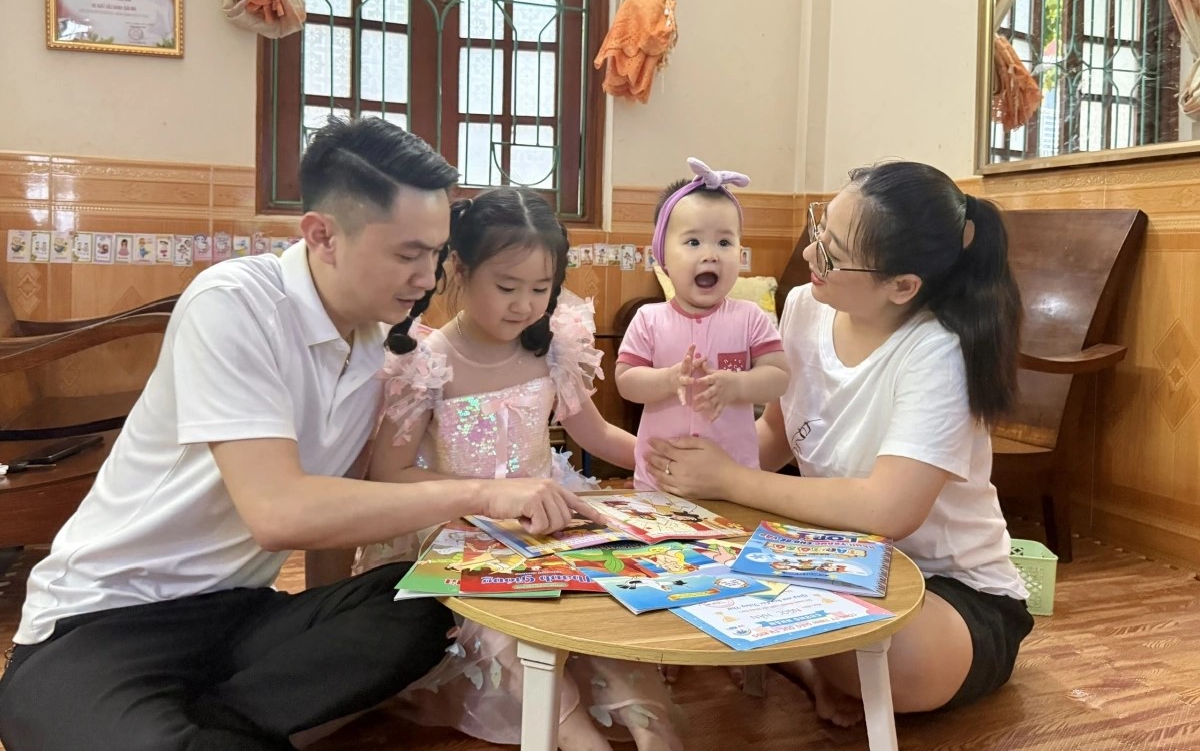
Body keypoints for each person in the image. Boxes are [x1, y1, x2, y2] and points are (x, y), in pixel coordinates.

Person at [0, 118, 599, 751]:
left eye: (435, 254)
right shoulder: (234, 302)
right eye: (407, 255)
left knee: (426, 606)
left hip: (241, 614)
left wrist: (322, 629)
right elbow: (280, 513)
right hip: (106, 621)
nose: (428, 278)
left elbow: (340, 505)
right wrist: (485, 493)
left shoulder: (382, 343)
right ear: (322, 235)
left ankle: (198, 725)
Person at [646, 160, 1034, 724]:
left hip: (948, 592)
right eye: (818, 229)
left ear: (902, 286)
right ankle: (816, 669)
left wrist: (729, 479)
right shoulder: (806, 306)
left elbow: (888, 509)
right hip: (833, 558)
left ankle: (808, 665)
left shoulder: (939, 350)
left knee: (883, 653)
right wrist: (690, 487)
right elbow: (778, 432)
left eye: (830, 252)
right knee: (688, 566)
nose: (810, 254)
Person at [354, 187, 682, 751]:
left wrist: (662, 459)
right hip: (456, 529)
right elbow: (390, 473)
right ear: (459, 270)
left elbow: (596, 433)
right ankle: (575, 736)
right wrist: (486, 494)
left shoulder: (553, 348)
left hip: (549, 521)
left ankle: (654, 732)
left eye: (540, 288)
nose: (525, 305)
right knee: (510, 630)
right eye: (507, 287)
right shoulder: (427, 362)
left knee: (604, 603)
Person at [615, 157, 790, 492]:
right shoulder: (649, 319)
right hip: (658, 480)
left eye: (724, 242)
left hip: (733, 481)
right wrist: (666, 379)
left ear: (740, 253)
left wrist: (737, 385)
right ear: (662, 256)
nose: (711, 254)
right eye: (693, 242)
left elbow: (778, 378)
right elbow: (626, 381)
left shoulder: (749, 317)